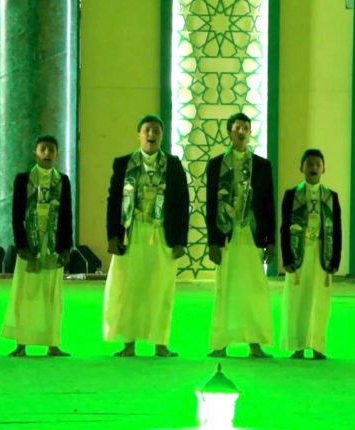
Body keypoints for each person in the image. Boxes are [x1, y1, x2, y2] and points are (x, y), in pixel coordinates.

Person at [103, 114, 189, 357]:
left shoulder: (173, 164)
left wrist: (180, 241)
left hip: (161, 233)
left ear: (162, 136)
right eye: (147, 130)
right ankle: (128, 343)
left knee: (161, 288)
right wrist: (112, 235)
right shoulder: (123, 163)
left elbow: (183, 203)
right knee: (129, 287)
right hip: (131, 233)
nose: (151, 135)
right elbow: (113, 200)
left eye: (156, 131)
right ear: (139, 134)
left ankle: (160, 343)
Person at [206, 112, 275, 358]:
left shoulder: (262, 166)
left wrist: (271, 241)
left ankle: (255, 344)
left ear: (250, 132)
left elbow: (268, 204)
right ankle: (221, 343)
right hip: (226, 233)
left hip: (252, 232)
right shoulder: (216, 165)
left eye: (246, 128)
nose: (242, 132)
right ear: (229, 132)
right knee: (226, 287)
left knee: (254, 288)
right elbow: (210, 205)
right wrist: (212, 241)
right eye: (237, 128)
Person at [2, 134, 73, 357]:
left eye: (51, 150)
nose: (47, 153)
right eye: (43, 149)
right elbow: (16, 214)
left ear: (57, 154)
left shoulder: (63, 181)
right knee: (25, 292)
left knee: (52, 294)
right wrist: (20, 245)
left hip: (53, 244)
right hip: (29, 244)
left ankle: (52, 344)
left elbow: (67, 215)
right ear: (35, 153)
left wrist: (66, 247)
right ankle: (21, 343)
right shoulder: (23, 179)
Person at [280, 149, 342, 360]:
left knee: (320, 299)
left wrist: (335, 259)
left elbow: (337, 230)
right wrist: (287, 258)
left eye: (318, 164)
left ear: (324, 168)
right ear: (301, 168)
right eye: (309, 164)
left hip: (322, 254)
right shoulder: (291, 195)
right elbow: (284, 227)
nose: (314, 168)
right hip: (299, 252)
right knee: (297, 299)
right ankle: (297, 346)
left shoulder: (331, 197)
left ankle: (317, 346)